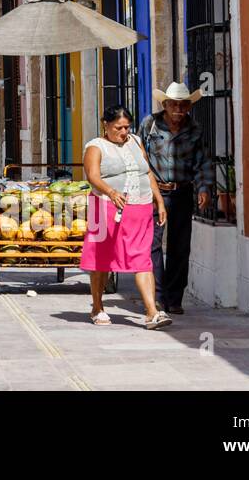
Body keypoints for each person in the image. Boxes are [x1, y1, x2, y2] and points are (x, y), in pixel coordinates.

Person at [81, 106, 171, 330]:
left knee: (143, 258)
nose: (123, 131)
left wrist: (158, 200)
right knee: (101, 259)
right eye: (118, 127)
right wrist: (111, 192)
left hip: (139, 208)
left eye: (127, 126)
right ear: (106, 125)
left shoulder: (135, 141)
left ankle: (152, 313)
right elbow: (92, 176)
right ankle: (98, 307)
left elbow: (146, 171)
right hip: (104, 208)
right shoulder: (96, 146)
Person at [138, 82, 213, 315]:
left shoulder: (195, 129)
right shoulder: (149, 125)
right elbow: (140, 157)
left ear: (189, 107)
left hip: (182, 191)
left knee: (180, 245)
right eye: (174, 106)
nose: (178, 111)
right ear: (165, 105)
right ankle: (157, 296)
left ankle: (175, 297)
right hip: (155, 192)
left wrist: (204, 188)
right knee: (153, 244)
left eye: (183, 106)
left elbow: (203, 161)